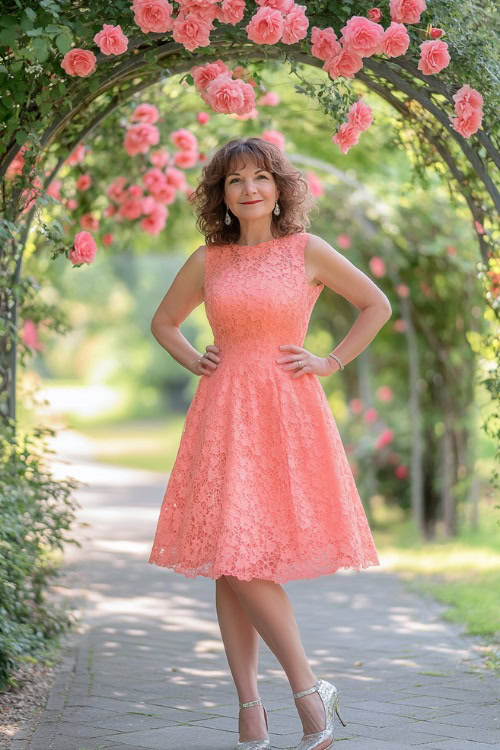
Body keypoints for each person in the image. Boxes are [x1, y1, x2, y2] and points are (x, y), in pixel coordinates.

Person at [148, 137, 392, 750]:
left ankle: (307, 691)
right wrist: (192, 359)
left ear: (280, 187)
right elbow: (164, 321)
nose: (250, 188)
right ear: (221, 196)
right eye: (236, 181)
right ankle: (251, 710)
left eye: (261, 177)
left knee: (244, 557)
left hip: (284, 411)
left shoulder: (305, 250)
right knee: (229, 561)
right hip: (222, 410)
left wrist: (329, 360)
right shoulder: (209, 259)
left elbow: (375, 304)